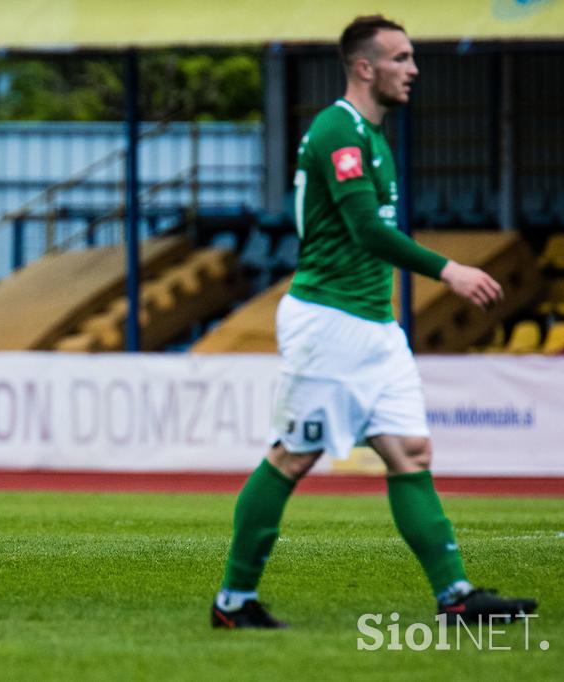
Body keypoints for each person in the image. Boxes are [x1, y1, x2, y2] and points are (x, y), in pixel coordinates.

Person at [211, 15, 535, 628]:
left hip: (375, 327)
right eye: (402, 58)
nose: (413, 69)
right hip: (328, 322)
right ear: (366, 67)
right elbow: (366, 230)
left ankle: (455, 598)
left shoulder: (373, 135)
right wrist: (449, 271)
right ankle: (233, 602)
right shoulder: (339, 131)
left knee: (411, 451)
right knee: (292, 457)